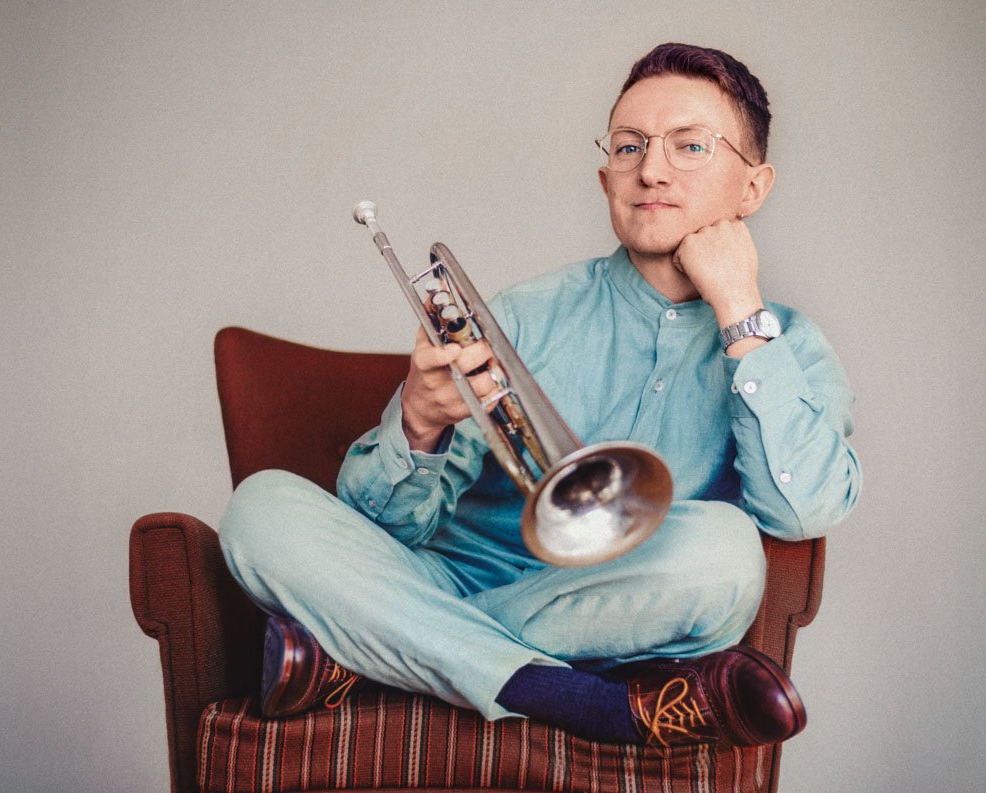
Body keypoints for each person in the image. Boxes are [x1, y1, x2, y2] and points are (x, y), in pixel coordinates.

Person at [219, 42, 861, 748]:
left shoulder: (791, 348)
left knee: (727, 555)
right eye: (629, 146)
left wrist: (740, 310)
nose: (651, 170)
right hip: (447, 575)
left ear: (753, 188)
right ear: (605, 177)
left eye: (690, 146)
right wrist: (420, 423)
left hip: (604, 604)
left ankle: (371, 650)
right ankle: (573, 698)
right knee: (261, 508)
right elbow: (396, 530)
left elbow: (803, 509)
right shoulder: (525, 315)